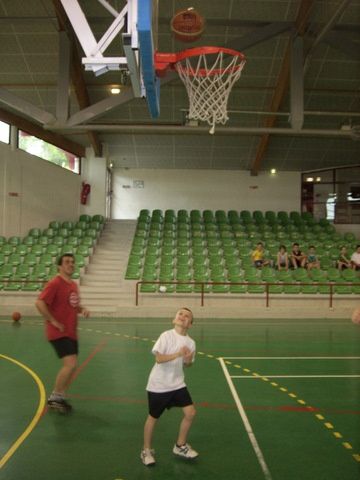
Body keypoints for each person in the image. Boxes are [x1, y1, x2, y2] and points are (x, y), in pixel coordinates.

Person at [141, 307, 198, 466]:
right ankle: (146, 450)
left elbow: (188, 365)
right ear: (174, 318)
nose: (183, 316)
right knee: (153, 418)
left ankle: (180, 446)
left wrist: (186, 359)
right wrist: (178, 354)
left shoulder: (191, 343)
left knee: (190, 412)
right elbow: (159, 359)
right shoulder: (166, 336)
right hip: (159, 384)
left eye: (187, 316)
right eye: (180, 313)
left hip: (178, 383)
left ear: (190, 324)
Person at [35, 253, 90, 412]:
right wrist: (52, 321)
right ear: (59, 266)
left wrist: (82, 309)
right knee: (70, 364)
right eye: (67, 262)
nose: (71, 264)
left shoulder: (73, 285)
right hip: (58, 332)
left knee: (72, 366)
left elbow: (72, 305)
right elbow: (39, 302)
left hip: (71, 331)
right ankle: (55, 397)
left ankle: (60, 396)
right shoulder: (55, 283)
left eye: (72, 262)